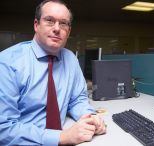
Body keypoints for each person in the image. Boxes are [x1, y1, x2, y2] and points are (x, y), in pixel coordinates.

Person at [0, 0, 106, 145]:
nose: (57, 28)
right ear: (36, 25)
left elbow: (77, 100)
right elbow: (4, 129)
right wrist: (61, 137)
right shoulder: (7, 62)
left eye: (63, 23)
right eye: (49, 21)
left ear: (68, 31)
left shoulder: (70, 59)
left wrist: (90, 117)